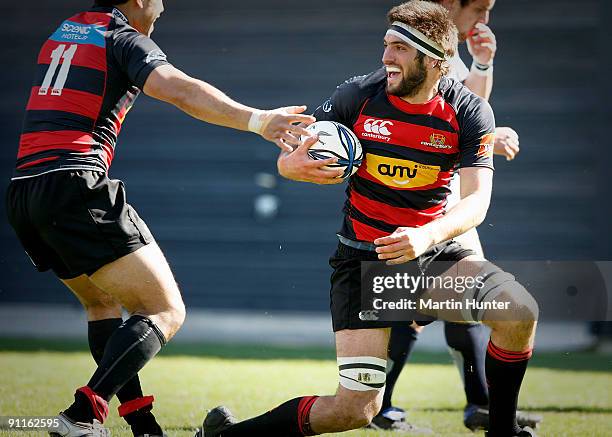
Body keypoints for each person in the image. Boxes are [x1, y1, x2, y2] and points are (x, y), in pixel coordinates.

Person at [197, 2, 538, 436]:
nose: (385, 57)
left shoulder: (470, 111)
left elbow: (476, 202)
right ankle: (225, 436)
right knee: (353, 411)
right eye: (385, 45)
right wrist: (291, 167)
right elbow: (292, 154)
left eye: (399, 48)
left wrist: (425, 236)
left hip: (433, 255)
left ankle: (500, 430)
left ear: (433, 61)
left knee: (518, 311)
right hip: (363, 263)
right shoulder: (356, 95)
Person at [5, 1, 317, 436]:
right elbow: (180, 90)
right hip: (74, 183)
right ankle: (81, 415)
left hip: (25, 189)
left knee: (102, 304)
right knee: (166, 310)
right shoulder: (124, 38)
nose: (164, 5)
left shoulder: (67, 29)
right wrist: (259, 120)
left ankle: (144, 427)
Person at [376, 0, 540, 432]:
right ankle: (386, 404)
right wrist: (486, 134)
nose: (484, 20)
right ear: (452, 4)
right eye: (480, 8)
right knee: (429, 303)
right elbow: (430, 116)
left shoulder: (445, 52)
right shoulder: (417, 45)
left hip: (447, 202)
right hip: (418, 203)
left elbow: (462, 109)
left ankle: (478, 404)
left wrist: (482, 68)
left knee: (469, 298)